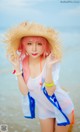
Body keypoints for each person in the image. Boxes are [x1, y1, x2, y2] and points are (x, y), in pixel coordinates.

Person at [4, 21, 74, 132]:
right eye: (29, 43)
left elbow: (50, 91)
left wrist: (49, 68)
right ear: (23, 45)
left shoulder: (50, 62)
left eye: (39, 44)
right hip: (44, 108)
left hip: (62, 106)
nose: (34, 49)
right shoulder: (22, 62)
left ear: (45, 45)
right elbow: (24, 92)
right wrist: (17, 69)